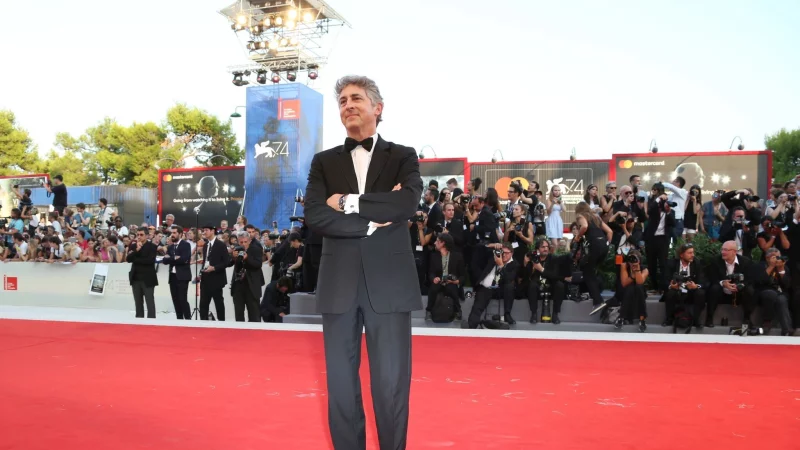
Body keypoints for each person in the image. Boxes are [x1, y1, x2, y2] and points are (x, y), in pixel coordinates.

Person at [303, 75, 423, 450]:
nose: (348, 105)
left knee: (390, 385)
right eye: (341, 100)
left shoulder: (403, 155)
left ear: (377, 107)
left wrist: (349, 202)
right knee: (340, 386)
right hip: (339, 283)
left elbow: (406, 204)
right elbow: (315, 216)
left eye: (356, 98)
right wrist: (371, 221)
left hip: (389, 282)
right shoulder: (323, 162)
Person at [228, 230, 264, 322]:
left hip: (252, 285)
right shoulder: (235, 249)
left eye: (245, 242)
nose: (243, 244)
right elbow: (228, 263)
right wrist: (233, 256)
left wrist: (247, 258)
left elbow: (258, 265)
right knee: (239, 314)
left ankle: (255, 335)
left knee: (254, 314)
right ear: (238, 241)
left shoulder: (256, 249)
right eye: (241, 242)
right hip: (238, 285)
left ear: (249, 241)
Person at [161, 225, 193, 319]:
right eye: (171, 233)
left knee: (182, 299)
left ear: (180, 234)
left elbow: (184, 259)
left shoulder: (186, 245)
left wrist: (171, 258)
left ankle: (188, 319)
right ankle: (179, 320)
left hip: (183, 276)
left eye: (174, 233)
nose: (172, 235)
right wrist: (174, 258)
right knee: (175, 299)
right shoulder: (170, 247)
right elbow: (165, 261)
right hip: (172, 277)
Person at [199, 224, 229, 320]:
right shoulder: (205, 245)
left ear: (212, 231)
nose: (204, 232)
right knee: (203, 303)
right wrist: (201, 273)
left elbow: (227, 262)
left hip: (217, 278)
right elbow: (205, 261)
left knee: (218, 303)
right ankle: (203, 323)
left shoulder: (221, 245)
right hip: (205, 278)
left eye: (206, 230)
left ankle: (221, 323)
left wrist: (215, 268)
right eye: (203, 230)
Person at [126, 228, 158, 318]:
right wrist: (137, 250)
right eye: (138, 235)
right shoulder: (133, 246)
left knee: (150, 302)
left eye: (141, 235)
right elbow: (128, 259)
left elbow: (149, 261)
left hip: (148, 278)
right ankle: (139, 321)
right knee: (138, 302)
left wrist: (135, 259)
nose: (139, 237)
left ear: (147, 236)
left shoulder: (152, 247)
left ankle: (151, 322)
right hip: (135, 278)